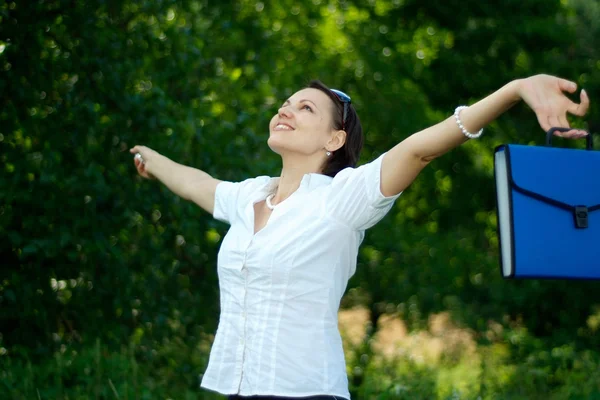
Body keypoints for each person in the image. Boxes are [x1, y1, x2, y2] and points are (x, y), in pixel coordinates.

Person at [130, 75, 589, 400]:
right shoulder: (251, 195)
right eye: (285, 103)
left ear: (334, 140)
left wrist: (512, 91)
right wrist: (151, 158)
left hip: (305, 393)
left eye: (305, 107)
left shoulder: (342, 199)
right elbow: (197, 184)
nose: (285, 109)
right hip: (237, 388)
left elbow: (419, 149)